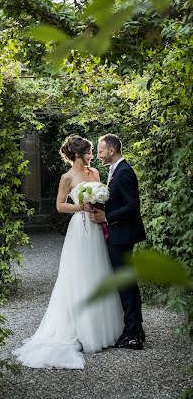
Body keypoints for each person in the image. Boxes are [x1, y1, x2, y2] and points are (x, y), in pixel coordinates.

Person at [12, 135, 123, 369]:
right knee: (78, 275)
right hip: (79, 230)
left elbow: (102, 197)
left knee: (99, 272)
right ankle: (80, 330)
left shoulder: (95, 173)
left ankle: (101, 328)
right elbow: (60, 205)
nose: (92, 155)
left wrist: (98, 207)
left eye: (93, 151)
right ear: (77, 155)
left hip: (95, 226)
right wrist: (80, 207)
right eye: (89, 152)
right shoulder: (67, 177)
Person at [92, 134, 146, 349]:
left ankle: (133, 334)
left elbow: (133, 206)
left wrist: (106, 217)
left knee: (126, 284)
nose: (98, 155)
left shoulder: (124, 172)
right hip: (119, 234)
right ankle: (135, 330)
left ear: (112, 150)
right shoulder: (115, 171)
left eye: (100, 151)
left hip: (122, 235)